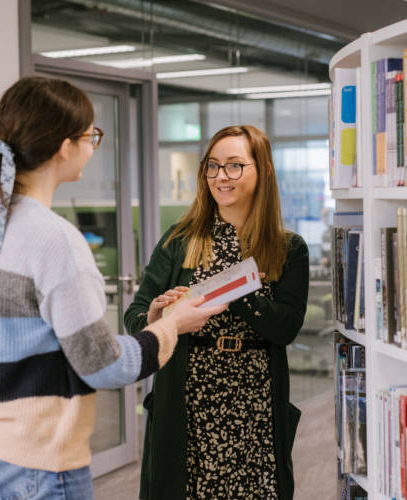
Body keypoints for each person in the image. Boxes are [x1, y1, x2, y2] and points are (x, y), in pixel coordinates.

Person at [0, 76, 227, 500]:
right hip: (36, 465)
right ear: (65, 146)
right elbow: (105, 366)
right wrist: (172, 326)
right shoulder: (54, 239)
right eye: (90, 135)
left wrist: (147, 327)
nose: (93, 147)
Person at [124, 125, 309, 500]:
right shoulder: (180, 240)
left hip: (254, 406)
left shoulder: (288, 248)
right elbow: (136, 313)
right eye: (213, 166)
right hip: (189, 402)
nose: (221, 177)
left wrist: (237, 287)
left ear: (264, 170)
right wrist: (157, 315)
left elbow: (286, 329)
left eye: (235, 166)